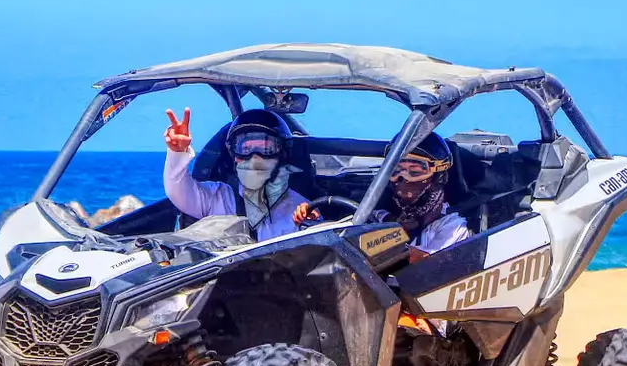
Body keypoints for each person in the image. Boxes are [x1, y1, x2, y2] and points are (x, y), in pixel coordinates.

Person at [296, 132, 469, 258]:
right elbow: (347, 229)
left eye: (415, 171)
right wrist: (316, 221)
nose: (403, 178)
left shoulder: (453, 227)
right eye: (396, 170)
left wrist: (372, 242)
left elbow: (426, 262)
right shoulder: (378, 216)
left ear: (438, 175)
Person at [162, 107, 310, 241]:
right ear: (234, 155)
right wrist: (177, 153)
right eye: (245, 148)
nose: (255, 157)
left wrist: (310, 222)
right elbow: (179, 191)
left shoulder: (300, 208)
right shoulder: (217, 197)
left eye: (266, 148)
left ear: (282, 154)